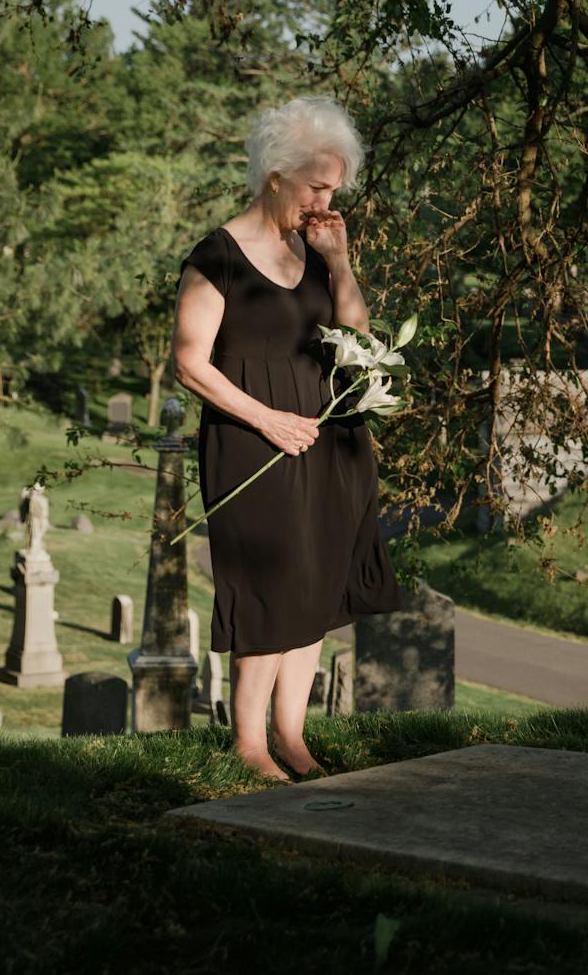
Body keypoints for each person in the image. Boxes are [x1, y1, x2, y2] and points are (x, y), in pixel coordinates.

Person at [172, 96, 402, 781]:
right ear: (275, 173)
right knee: (269, 585)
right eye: (317, 186)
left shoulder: (316, 246)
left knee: (317, 584)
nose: (326, 200)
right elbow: (189, 361)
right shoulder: (217, 257)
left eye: (334, 187)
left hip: (328, 440)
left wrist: (339, 261)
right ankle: (248, 744)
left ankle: (292, 736)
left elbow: (358, 342)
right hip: (252, 441)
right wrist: (266, 418)